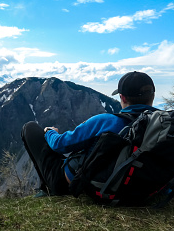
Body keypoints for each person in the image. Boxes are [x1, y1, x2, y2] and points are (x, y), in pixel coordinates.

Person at [21, 71, 156, 197]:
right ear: (153, 96)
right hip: (138, 188)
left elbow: (60, 145)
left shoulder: (107, 121)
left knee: (30, 128)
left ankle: (48, 189)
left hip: (79, 185)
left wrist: (50, 132)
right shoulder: (161, 126)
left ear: (122, 97)